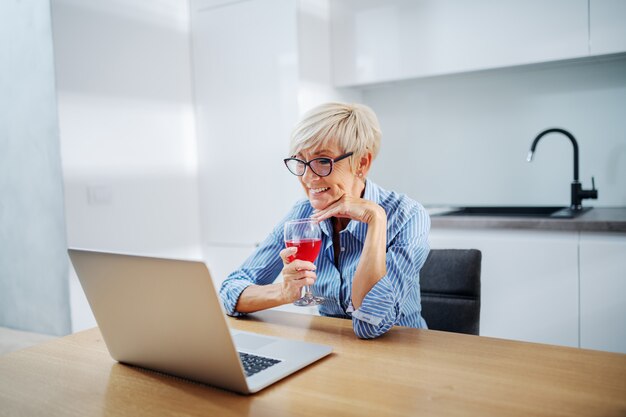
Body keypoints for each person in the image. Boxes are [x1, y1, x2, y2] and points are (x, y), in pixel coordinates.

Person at [219, 102, 430, 339]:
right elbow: (229, 291)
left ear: (362, 163)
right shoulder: (302, 214)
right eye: (301, 161)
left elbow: (370, 324)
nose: (308, 178)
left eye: (322, 161)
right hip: (332, 349)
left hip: (403, 355)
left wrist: (376, 219)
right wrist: (285, 292)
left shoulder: (407, 216)